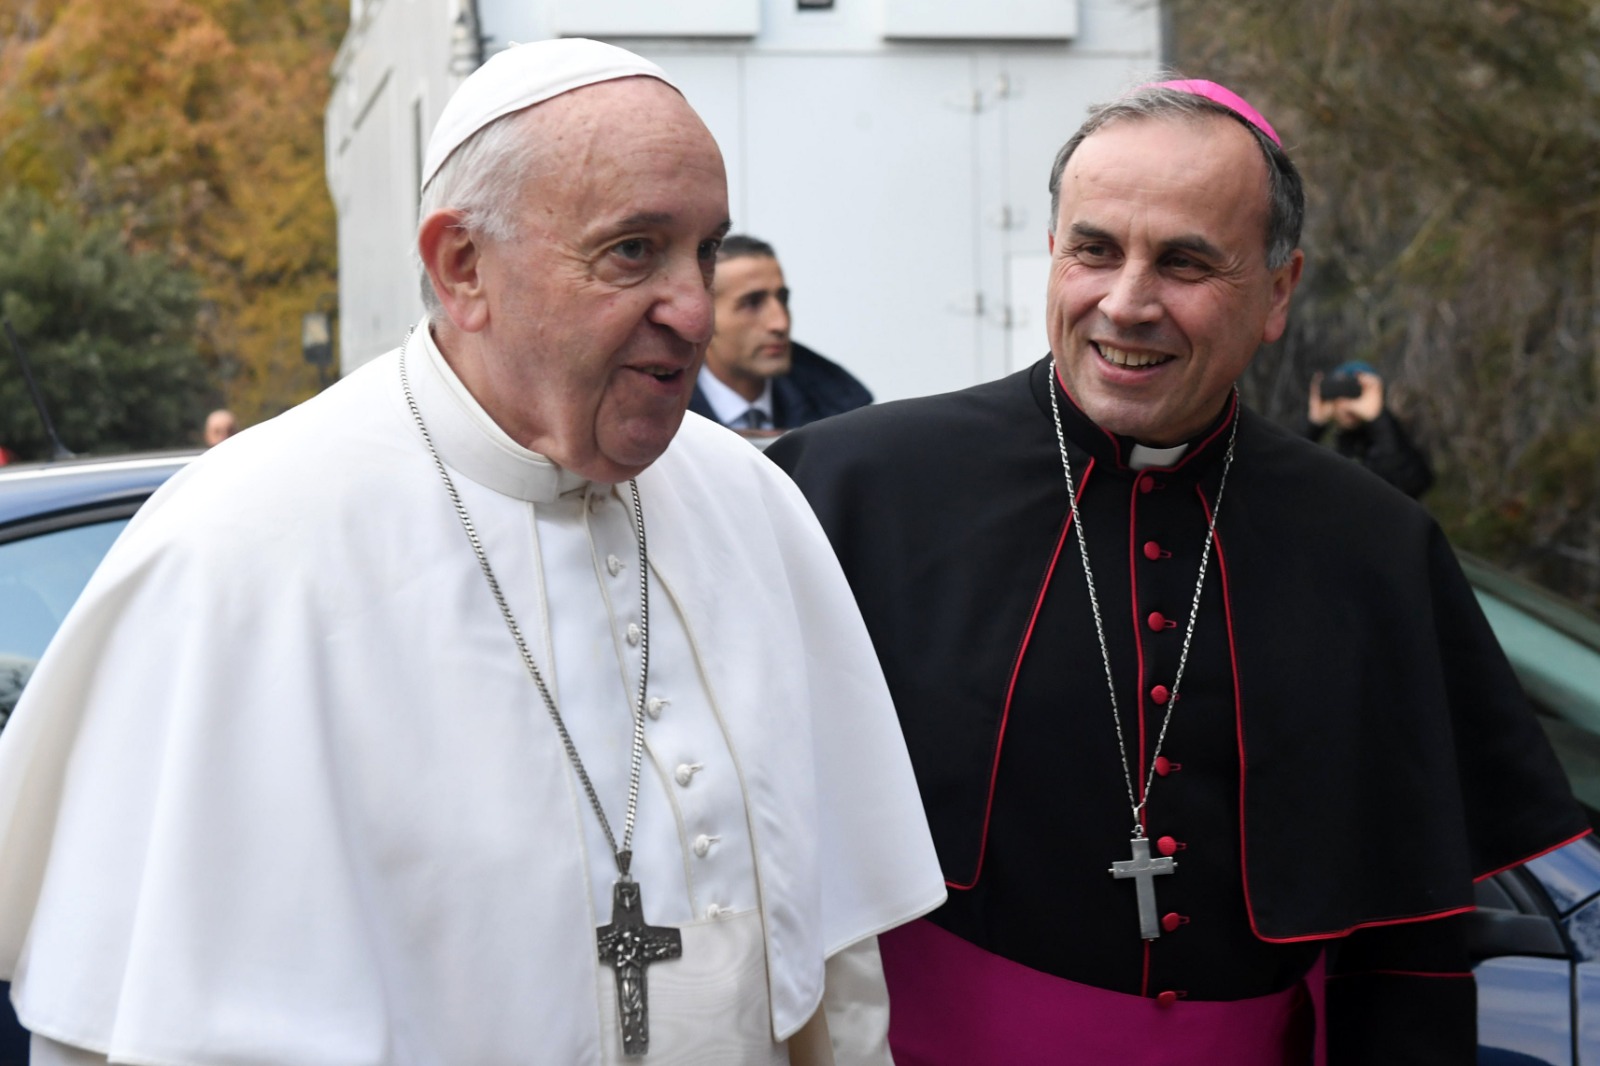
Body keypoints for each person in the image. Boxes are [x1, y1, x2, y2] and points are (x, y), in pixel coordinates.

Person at [0, 39, 944, 1066]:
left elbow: (836, 973)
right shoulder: (241, 546)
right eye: (633, 250)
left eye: (703, 251)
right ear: (464, 269)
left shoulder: (750, 505)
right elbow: (148, 1019)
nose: (693, 308)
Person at [769, 79, 1587, 1064]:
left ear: (1278, 291)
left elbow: (1406, 932)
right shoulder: (851, 486)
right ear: (1052, 252)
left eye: (1185, 262)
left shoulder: (1371, 544)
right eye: (1094, 249)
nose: (1126, 302)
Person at [689, 235, 872, 431]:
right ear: (702, 316)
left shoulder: (837, 410)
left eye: (782, 299)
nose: (780, 323)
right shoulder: (663, 416)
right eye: (752, 303)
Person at [1304, 360, 1432, 498]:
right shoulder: (1334, 445)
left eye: (1356, 391)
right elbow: (1289, 474)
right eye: (1341, 392)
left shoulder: (1393, 435)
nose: (1348, 403)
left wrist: (1378, 418)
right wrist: (1313, 424)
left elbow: (1411, 484)